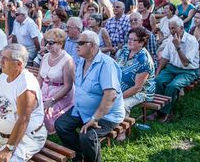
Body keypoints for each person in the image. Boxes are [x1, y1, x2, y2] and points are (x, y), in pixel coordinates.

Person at [55, 30, 124, 162]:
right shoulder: (83, 60)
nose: (76, 46)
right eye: (77, 43)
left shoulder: (106, 64)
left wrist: (95, 118)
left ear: (92, 45)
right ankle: (79, 155)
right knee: (61, 125)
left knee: (87, 136)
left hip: (106, 114)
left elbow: (110, 96)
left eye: (80, 43)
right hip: (82, 110)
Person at [150, 19, 199, 122]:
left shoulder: (191, 40)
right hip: (172, 68)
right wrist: (157, 73)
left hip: (188, 71)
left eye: (174, 28)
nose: (171, 31)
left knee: (172, 86)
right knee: (158, 80)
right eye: (170, 28)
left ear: (181, 28)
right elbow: (164, 58)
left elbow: (185, 63)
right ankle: (157, 110)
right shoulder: (170, 39)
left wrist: (178, 46)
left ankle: (166, 113)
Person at [37, 29, 75, 134]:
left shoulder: (68, 60)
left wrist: (52, 100)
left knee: (45, 113)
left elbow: (68, 86)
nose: (47, 45)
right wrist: (35, 92)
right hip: (45, 90)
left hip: (61, 94)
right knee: (31, 105)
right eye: (46, 42)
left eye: (51, 43)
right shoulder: (45, 56)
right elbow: (40, 78)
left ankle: (45, 131)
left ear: (60, 43)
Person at [115, 27, 155, 117]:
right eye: (129, 39)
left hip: (140, 92)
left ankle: (122, 129)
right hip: (120, 87)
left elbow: (137, 88)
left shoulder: (144, 60)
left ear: (141, 43)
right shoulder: (126, 50)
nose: (129, 41)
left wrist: (118, 97)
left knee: (122, 105)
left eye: (133, 40)